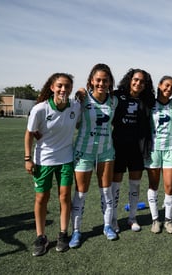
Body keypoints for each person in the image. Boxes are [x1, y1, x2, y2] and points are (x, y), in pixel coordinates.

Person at [24, 73, 81, 256]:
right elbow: (29, 134)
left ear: (71, 88)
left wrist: (82, 92)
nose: (63, 89)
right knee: (41, 198)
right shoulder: (40, 109)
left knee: (64, 197)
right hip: (44, 161)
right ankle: (41, 236)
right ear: (52, 87)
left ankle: (64, 233)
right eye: (60, 86)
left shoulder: (75, 106)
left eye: (67, 86)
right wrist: (27, 158)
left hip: (66, 159)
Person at [69, 63, 118, 248]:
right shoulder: (82, 100)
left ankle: (107, 226)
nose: (101, 83)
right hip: (84, 152)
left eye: (105, 80)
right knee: (81, 193)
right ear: (91, 80)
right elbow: (74, 123)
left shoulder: (114, 101)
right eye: (98, 80)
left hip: (106, 152)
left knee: (106, 191)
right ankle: (76, 231)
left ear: (110, 82)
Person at [111, 68, 155, 232]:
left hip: (138, 148)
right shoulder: (117, 95)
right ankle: (113, 219)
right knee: (115, 186)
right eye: (136, 79)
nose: (138, 83)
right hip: (118, 146)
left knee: (135, 185)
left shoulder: (147, 99)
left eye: (142, 81)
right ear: (130, 80)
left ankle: (132, 218)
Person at [144, 76, 172, 234]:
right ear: (159, 85)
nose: (169, 89)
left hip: (170, 149)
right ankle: (155, 219)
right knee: (153, 185)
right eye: (166, 85)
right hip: (153, 150)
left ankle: (168, 220)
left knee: (169, 186)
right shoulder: (150, 103)